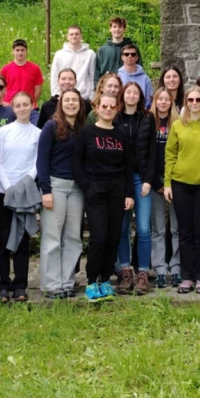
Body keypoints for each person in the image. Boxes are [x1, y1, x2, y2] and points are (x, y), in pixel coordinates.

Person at [74, 93, 136, 302]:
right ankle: (92, 281)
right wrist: (87, 186)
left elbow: (128, 166)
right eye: (104, 106)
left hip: (117, 192)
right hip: (96, 192)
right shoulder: (86, 133)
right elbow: (77, 163)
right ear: (97, 108)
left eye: (112, 106)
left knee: (113, 237)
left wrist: (129, 193)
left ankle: (106, 279)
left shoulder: (121, 134)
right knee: (98, 238)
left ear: (116, 109)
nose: (108, 109)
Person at [164, 86, 200, 294]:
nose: (194, 103)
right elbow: (170, 155)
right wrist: (167, 183)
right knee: (185, 232)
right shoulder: (178, 125)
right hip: (180, 183)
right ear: (185, 102)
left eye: (198, 100)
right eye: (190, 100)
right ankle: (187, 277)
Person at [37, 88, 88, 299]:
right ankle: (51, 285)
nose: (71, 103)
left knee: (73, 237)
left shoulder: (83, 127)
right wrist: (46, 190)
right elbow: (42, 160)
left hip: (77, 188)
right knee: (52, 237)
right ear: (61, 103)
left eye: (75, 100)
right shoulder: (51, 126)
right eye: (67, 100)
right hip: (55, 185)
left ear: (80, 103)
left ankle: (67, 283)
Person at [0, 91, 40, 303]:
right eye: (18, 105)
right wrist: (8, 187)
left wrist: (23, 185)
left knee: (22, 239)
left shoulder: (38, 133)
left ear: (32, 106)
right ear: (13, 108)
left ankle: (21, 285)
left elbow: (37, 163)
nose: (22, 108)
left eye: (25, 104)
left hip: (25, 191)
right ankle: (3, 284)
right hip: (3, 191)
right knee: (2, 239)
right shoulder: (4, 131)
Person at [114, 81, 156, 296]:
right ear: (123, 95)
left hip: (141, 179)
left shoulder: (148, 118)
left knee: (143, 228)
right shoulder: (115, 118)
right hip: (121, 180)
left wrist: (148, 180)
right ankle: (125, 271)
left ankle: (142, 273)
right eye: (128, 92)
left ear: (140, 97)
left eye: (135, 93)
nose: (131, 95)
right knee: (122, 228)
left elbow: (152, 151)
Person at [148, 88, 180, 288]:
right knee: (158, 228)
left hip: (175, 180)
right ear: (155, 101)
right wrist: (156, 182)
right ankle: (160, 268)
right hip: (154, 180)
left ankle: (176, 268)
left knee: (177, 228)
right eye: (160, 98)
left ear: (171, 102)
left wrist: (171, 181)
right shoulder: (148, 122)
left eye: (167, 99)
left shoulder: (178, 123)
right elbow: (144, 154)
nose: (163, 102)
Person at [51, 26, 96, 100]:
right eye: (71, 34)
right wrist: (56, 95)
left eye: (76, 34)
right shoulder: (59, 54)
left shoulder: (90, 54)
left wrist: (92, 96)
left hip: (84, 96)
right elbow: (55, 75)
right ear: (67, 37)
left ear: (81, 36)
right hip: (63, 96)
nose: (74, 36)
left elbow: (93, 76)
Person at [94, 16, 140, 83]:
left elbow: (138, 69)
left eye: (120, 27)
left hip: (127, 86)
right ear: (110, 29)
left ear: (124, 29)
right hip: (106, 86)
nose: (117, 29)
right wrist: (97, 87)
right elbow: (96, 72)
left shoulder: (132, 50)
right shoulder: (102, 50)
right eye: (114, 27)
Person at [1, 39, 44, 103]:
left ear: (27, 51)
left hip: (28, 104)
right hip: (9, 104)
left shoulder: (35, 68)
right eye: (17, 50)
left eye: (22, 50)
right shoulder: (5, 69)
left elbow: (38, 91)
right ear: (13, 51)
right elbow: (0, 89)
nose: (20, 53)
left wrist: (29, 103)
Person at [118, 44, 154, 108]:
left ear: (137, 57)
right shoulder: (117, 77)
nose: (130, 56)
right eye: (126, 54)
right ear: (122, 57)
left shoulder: (145, 79)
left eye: (133, 54)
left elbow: (149, 101)